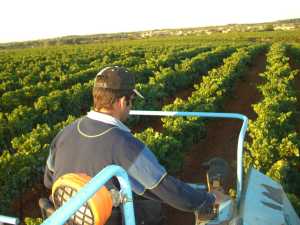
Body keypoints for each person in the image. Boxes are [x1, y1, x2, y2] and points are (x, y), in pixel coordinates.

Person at [43, 66, 227, 225]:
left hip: (68, 218)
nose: (131, 107)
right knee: (154, 206)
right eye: (132, 101)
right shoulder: (126, 145)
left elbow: (48, 181)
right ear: (123, 101)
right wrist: (208, 200)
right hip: (108, 220)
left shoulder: (64, 133)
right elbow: (166, 189)